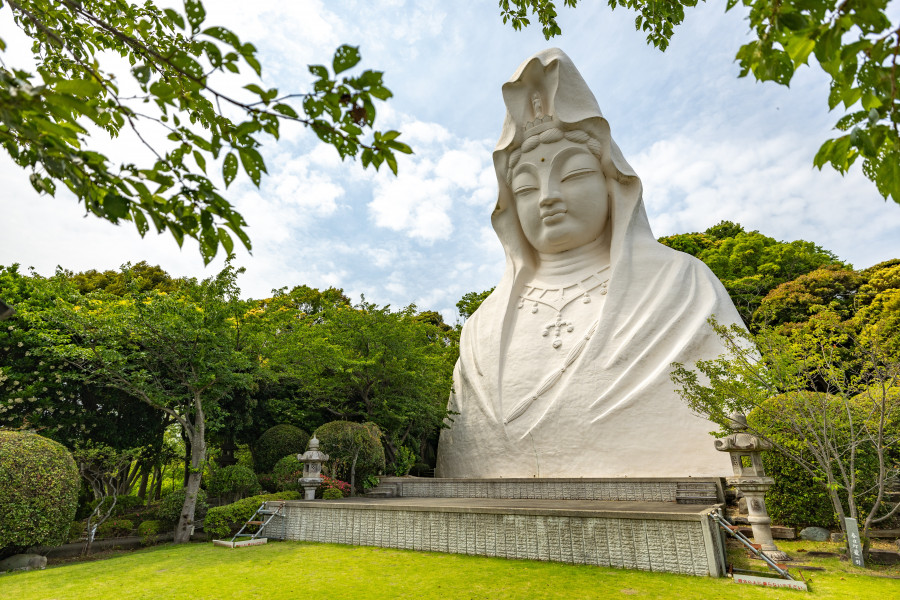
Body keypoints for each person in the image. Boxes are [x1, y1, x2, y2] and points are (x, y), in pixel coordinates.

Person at [435, 48, 743, 478]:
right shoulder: (481, 325)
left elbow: (746, 403)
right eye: (525, 188)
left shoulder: (681, 284)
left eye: (573, 174)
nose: (547, 197)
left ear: (613, 184)